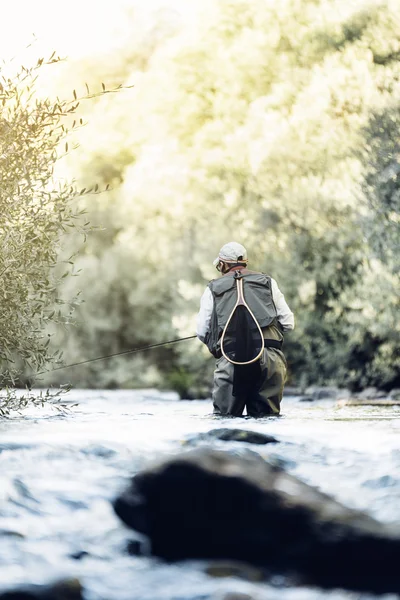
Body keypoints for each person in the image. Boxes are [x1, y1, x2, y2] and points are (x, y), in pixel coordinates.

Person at [196, 242, 294, 417]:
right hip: (269, 358)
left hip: (230, 357)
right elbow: (288, 323)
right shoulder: (268, 282)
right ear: (245, 262)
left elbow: (202, 331)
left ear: (223, 264)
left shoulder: (212, 288)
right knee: (267, 421)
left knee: (225, 421)